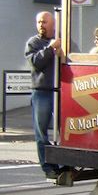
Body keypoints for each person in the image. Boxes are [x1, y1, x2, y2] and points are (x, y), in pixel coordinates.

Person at [25, 11, 62, 179]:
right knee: (42, 131)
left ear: (53, 24)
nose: (41, 25)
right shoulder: (33, 43)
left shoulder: (63, 40)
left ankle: (63, 163)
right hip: (42, 92)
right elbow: (36, 62)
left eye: (45, 22)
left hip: (61, 91)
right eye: (39, 22)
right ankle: (48, 166)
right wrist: (50, 49)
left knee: (65, 128)